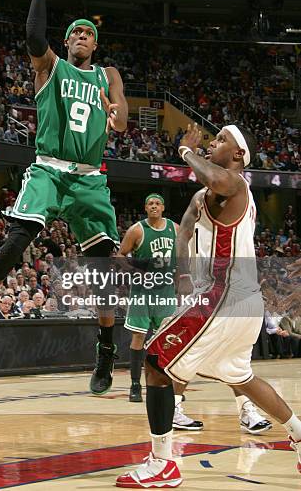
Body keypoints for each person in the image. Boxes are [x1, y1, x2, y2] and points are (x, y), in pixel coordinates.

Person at [0, 0, 128, 396]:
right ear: (67, 42)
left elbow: (122, 120)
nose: (83, 37)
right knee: (18, 237)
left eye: (88, 33)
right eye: (76, 34)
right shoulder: (51, 67)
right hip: (49, 168)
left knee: (103, 267)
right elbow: (33, 38)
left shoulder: (106, 76)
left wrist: (114, 109)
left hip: (89, 177)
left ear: (96, 43)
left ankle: (106, 349)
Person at [116, 124, 301, 488]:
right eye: (212, 138)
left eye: (221, 140)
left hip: (224, 293)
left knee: (155, 362)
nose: (212, 143)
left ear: (237, 155)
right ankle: (298, 432)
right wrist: (183, 279)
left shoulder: (235, 182)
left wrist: (186, 152)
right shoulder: (205, 196)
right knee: (240, 377)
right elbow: (184, 232)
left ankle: (162, 464)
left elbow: (216, 181)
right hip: (238, 298)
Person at [119, 193, 203, 431]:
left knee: (164, 340)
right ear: (145, 208)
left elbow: (181, 257)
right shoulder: (137, 230)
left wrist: (182, 279)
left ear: (163, 207)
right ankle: (136, 384)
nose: (154, 206)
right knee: (138, 337)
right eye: (150, 204)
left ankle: (163, 384)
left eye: (157, 203)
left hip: (166, 292)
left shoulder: (175, 229)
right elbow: (120, 255)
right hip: (142, 292)